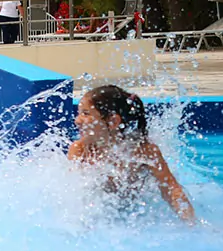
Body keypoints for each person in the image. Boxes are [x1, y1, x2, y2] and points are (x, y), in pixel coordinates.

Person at [68, 85, 195, 222]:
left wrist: (192, 223)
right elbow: (73, 194)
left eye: (86, 114)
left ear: (113, 121)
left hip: (136, 212)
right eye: (79, 113)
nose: (77, 120)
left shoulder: (144, 151)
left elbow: (171, 189)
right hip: (99, 213)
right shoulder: (81, 150)